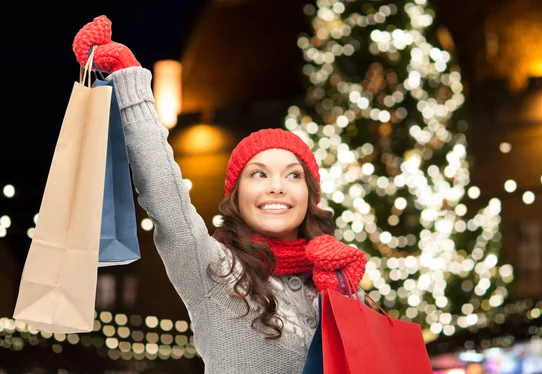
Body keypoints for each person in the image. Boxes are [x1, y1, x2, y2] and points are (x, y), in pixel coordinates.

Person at [72, 15, 368, 374]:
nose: (277, 185)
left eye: (293, 175)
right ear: (237, 197)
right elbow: (165, 196)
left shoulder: (332, 279)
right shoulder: (214, 271)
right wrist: (128, 78)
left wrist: (343, 299)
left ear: (309, 196)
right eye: (259, 174)